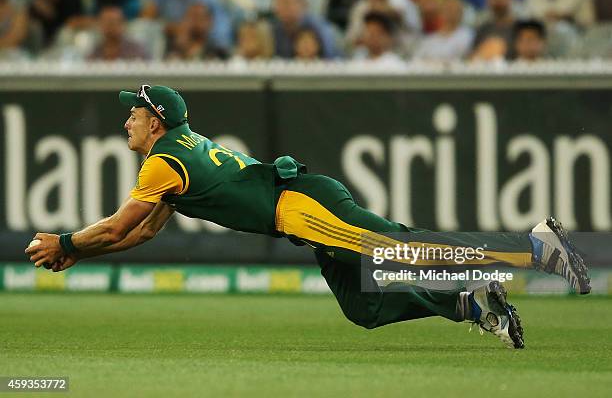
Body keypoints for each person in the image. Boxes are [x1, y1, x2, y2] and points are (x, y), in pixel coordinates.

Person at [26, 85, 591, 350]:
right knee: (364, 305)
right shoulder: (178, 153)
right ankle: (469, 300)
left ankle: (536, 249)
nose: (127, 121)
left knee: (404, 250)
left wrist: (69, 241)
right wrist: (78, 252)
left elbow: (122, 226)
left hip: (301, 208)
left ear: (156, 121)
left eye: (134, 114)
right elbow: (144, 231)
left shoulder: (164, 162)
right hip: (298, 208)